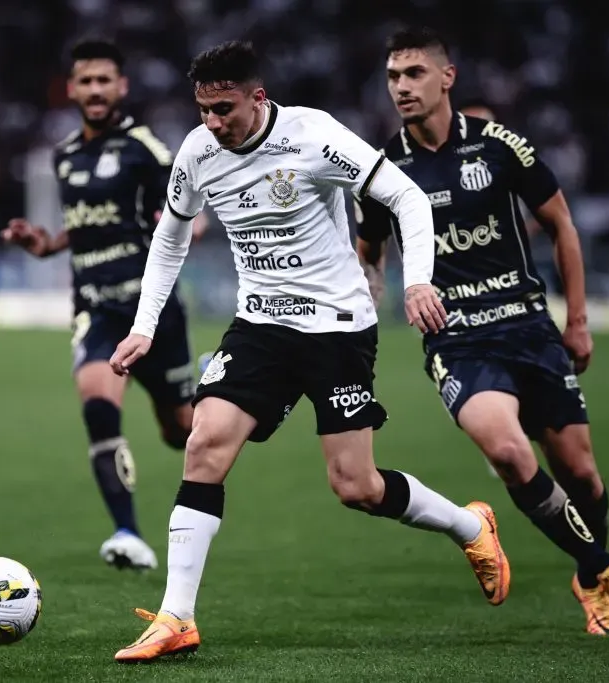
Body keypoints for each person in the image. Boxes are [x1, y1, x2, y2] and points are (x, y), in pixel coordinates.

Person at [107, 40, 510, 663]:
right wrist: (144, 326)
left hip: (338, 327)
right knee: (204, 442)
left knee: (355, 486)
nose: (213, 123)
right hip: (260, 324)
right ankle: (176, 617)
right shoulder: (198, 150)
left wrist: (418, 279)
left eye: (225, 109)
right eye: (203, 110)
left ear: (257, 98)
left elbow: (404, 196)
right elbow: (171, 237)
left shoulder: (312, 134)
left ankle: (469, 526)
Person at [355, 27, 609, 636]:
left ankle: (588, 579)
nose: (401, 88)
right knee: (510, 453)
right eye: (392, 77)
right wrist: (373, 298)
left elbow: (562, 224)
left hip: (528, 328)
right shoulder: (384, 168)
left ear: (447, 77)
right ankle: (602, 569)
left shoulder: (497, 147)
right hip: (458, 340)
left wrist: (577, 321)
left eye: (414, 74)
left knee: (582, 475)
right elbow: (369, 249)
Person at [2, 39, 207, 571]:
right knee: (97, 405)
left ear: (122, 87)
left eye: (104, 81)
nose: (94, 90)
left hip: (152, 310)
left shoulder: (146, 148)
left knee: (180, 432)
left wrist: (187, 228)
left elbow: (188, 211)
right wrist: (45, 244)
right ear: (71, 89)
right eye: (85, 81)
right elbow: (86, 226)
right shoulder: (65, 154)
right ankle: (127, 533)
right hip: (95, 307)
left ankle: (220, 392)